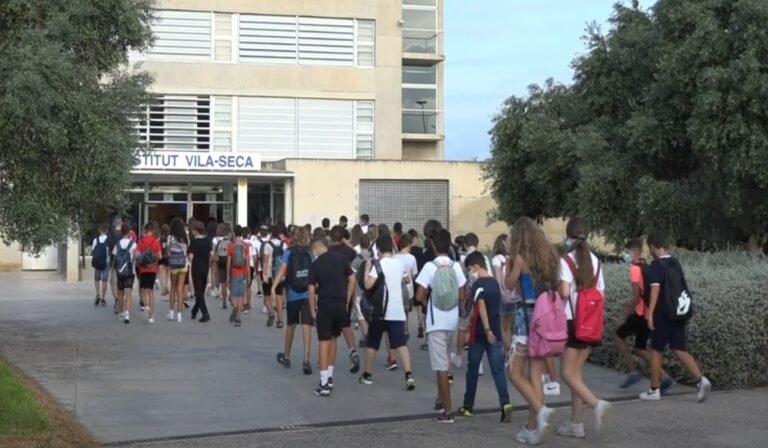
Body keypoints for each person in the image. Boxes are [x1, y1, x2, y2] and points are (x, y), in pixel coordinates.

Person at [504, 217, 560, 444]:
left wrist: (509, 258)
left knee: (515, 372)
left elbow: (508, 285)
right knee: (535, 373)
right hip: (546, 316)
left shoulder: (519, 258)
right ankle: (532, 428)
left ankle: (541, 411)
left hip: (526, 318)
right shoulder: (550, 256)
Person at [557, 217, 611, 439]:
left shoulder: (565, 261)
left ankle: (596, 404)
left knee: (567, 373)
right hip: (591, 322)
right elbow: (602, 294)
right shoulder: (596, 261)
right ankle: (576, 423)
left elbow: (564, 293)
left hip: (571, 321)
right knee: (576, 374)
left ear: (568, 235)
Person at [640, 233, 711, 402]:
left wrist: (649, 314)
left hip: (662, 314)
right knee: (679, 348)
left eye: (649, 247)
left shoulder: (657, 266)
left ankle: (654, 389)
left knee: (656, 350)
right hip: (678, 312)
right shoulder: (675, 262)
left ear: (653, 246)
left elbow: (655, 290)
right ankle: (701, 380)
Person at [415, 229, 466, 423]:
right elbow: (462, 296)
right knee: (444, 364)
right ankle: (440, 398)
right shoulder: (456, 266)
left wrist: (429, 297)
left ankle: (448, 411)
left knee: (441, 367)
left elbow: (419, 296)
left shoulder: (430, 267)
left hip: (436, 322)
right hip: (452, 321)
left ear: (434, 247)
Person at [459, 251, 512, 422]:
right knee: (497, 370)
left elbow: (480, 306)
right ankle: (505, 403)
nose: (469, 273)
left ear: (476, 266)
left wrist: (486, 329)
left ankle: (468, 406)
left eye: (469, 269)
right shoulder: (495, 284)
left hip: (480, 333)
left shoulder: (478, 285)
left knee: (472, 371)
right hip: (496, 332)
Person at [616, 239, 674, 390]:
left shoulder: (634, 269)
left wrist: (624, 315)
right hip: (649, 313)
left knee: (618, 335)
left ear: (634, 252)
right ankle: (664, 376)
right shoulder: (646, 265)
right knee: (640, 348)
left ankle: (632, 371)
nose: (626, 255)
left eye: (627, 252)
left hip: (640, 313)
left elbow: (636, 296)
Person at [359, 235, 416, 391]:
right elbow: (407, 280)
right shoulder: (398, 263)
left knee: (372, 344)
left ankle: (368, 375)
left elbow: (367, 285)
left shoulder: (378, 265)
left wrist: (366, 269)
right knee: (401, 344)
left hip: (380, 311)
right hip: (397, 311)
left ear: (378, 249)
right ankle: (409, 375)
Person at [308, 236, 355, 396]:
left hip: (325, 304)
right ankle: (329, 377)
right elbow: (352, 277)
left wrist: (312, 309)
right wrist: (348, 298)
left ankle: (323, 383)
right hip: (340, 304)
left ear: (315, 250)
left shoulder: (316, 264)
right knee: (334, 338)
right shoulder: (341, 259)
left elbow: (311, 289)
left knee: (323, 341)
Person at [274, 227, 314, 374]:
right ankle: (306, 359)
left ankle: (286, 355)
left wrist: (273, 287)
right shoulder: (309, 253)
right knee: (306, 326)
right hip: (306, 294)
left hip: (293, 293)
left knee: (291, 326)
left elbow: (282, 271)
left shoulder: (288, 252)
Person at [325, 226, 362, 374]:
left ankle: (326, 361)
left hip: (331, 293)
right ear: (343, 239)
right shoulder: (350, 252)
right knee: (345, 323)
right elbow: (360, 260)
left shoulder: (328, 253)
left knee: (330, 332)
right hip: (347, 292)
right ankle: (352, 349)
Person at [136, 222, 161, 323]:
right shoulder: (156, 241)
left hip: (143, 269)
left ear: (145, 230)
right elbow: (159, 256)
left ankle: (146, 306)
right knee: (151, 292)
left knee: (143, 290)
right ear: (153, 230)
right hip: (152, 269)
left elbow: (137, 256)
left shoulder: (141, 241)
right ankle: (151, 316)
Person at [262, 225, 287, 328]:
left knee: (267, 294)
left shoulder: (268, 245)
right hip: (280, 274)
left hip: (269, 274)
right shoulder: (284, 245)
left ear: (271, 233)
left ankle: (271, 313)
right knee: (279, 296)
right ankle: (280, 319)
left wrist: (264, 273)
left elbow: (265, 260)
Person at [351, 234, 373, 347]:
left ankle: (365, 335)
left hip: (359, 290)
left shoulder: (356, 259)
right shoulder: (373, 258)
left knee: (361, 316)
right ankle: (365, 336)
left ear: (360, 244)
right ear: (369, 243)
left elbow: (353, 278)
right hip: (371, 289)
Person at [227, 225, 251, 327]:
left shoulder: (231, 246)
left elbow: (228, 262)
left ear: (233, 233)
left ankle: (235, 309)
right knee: (241, 295)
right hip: (243, 273)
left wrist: (228, 275)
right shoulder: (246, 246)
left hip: (234, 273)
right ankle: (238, 318)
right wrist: (248, 275)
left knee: (233, 295)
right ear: (241, 234)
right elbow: (247, 262)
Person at [112, 224, 136, 324]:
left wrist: (113, 271)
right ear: (129, 232)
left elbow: (114, 258)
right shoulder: (134, 244)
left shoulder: (117, 244)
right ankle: (127, 313)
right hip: (130, 271)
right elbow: (135, 257)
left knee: (120, 293)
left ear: (121, 232)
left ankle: (121, 312)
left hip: (120, 272)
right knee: (129, 293)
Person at [188, 221, 212, 323]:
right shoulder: (208, 241)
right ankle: (195, 310)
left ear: (196, 231)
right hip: (205, 268)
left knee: (199, 292)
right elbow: (211, 254)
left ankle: (205, 313)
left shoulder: (194, 242)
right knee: (200, 291)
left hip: (196, 268)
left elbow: (190, 256)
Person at [167, 217, 189, 323]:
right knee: (180, 289)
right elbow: (187, 251)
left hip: (173, 265)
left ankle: (171, 313)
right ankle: (179, 314)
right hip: (183, 264)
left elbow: (168, 252)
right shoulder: (185, 238)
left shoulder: (170, 238)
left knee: (173, 288)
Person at [91, 223, 110, 307]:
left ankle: (97, 294)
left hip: (97, 262)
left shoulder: (96, 240)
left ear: (99, 230)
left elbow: (92, 251)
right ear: (107, 231)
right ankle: (103, 298)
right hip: (106, 262)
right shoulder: (109, 240)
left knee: (97, 279)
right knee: (104, 280)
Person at [214, 224, 232, 310]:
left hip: (220, 263)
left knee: (223, 283)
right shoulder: (230, 244)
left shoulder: (219, 243)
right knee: (230, 282)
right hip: (228, 263)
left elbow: (215, 255)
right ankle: (231, 297)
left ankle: (224, 301)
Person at [158, 224, 171, 296]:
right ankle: (166, 286)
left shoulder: (160, 238)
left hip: (161, 256)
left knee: (161, 273)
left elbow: (159, 247)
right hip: (168, 256)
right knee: (167, 273)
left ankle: (163, 288)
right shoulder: (169, 238)